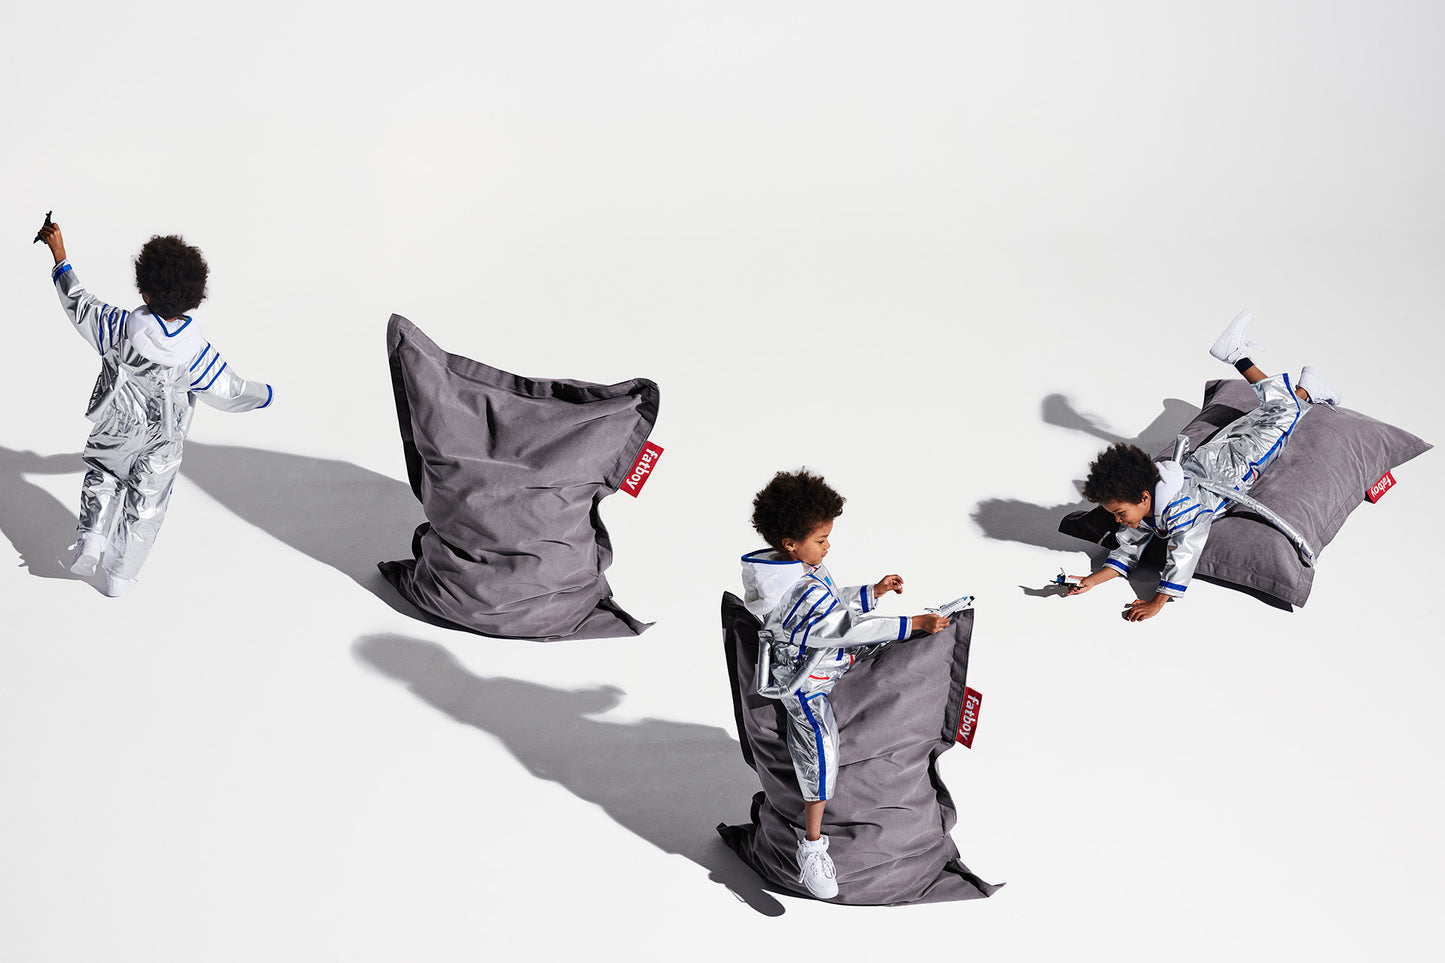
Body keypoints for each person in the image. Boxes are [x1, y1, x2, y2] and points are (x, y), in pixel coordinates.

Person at [741, 469, 950, 898]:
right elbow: (842, 629)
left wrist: (873, 591)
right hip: (806, 684)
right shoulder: (794, 593)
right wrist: (912, 623)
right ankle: (812, 845)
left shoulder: (800, 569)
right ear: (791, 543)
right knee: (821, 754)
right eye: (821, 540)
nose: (828, 546)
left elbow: (834, 606)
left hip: (833, 660)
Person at [36, 221, 273, 596]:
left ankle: (92, 538)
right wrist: (264, 394)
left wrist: (60, 256)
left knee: (104, 473)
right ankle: (119, 575)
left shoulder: (117, 326)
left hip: (116, 420)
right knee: (147, 504)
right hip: (164, 436)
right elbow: (229, 389)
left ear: (144, 290)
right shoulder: (195, 352)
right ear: (194, 296)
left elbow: (79, 303)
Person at [1066, 310, 1340, 621]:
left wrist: (1157, 602)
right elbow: (1127, 551)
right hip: (1214, 453)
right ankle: (1309, 389)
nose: (1118, 520)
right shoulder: (1144, 508)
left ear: (1143, 497)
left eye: (1119, 513)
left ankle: (1237, 355)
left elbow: (1185, 554)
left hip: (1241, 460)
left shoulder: (1183, 509)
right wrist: (1092, 581)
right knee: (1270, 415)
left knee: (1283, 412)